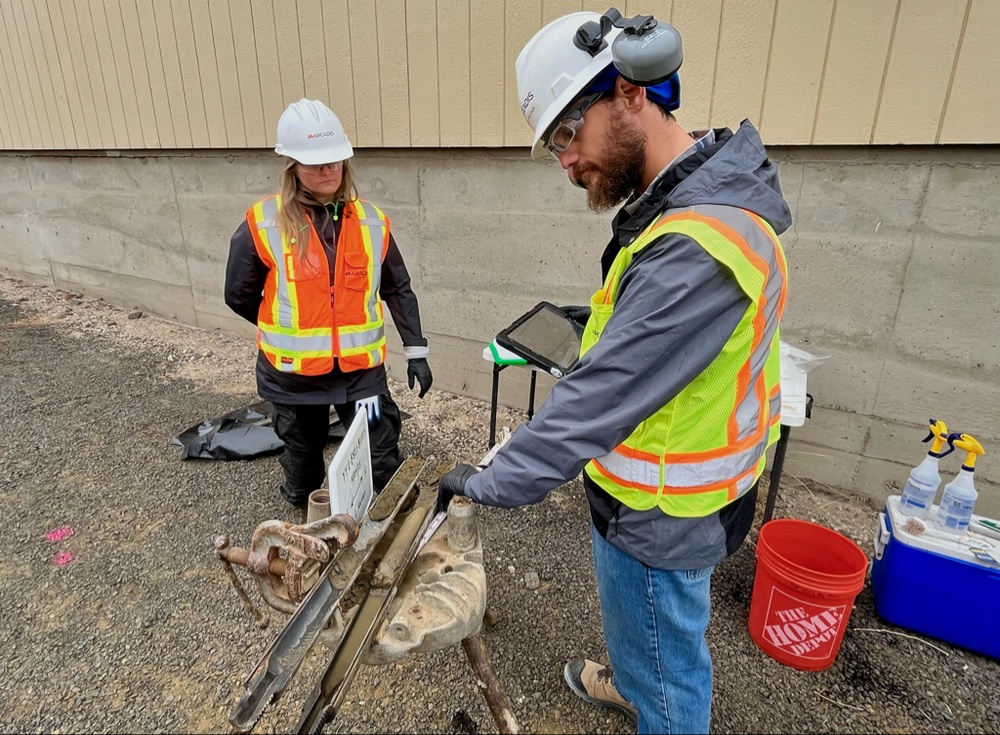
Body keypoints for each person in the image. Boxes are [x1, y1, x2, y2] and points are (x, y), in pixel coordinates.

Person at [438, 10, 789, 735]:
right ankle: (633, 678)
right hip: (650, 485)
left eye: (568, 131)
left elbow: (603, 394)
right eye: (553, 145)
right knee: (646, 636)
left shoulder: (700, 242)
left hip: (662, 512)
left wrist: (486, 481)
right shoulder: (686, 201)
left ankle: (653, 699)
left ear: (630, 92)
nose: (565, 160)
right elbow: (643, 333)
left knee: (669, 670)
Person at [225, 98, 433, 510]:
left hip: (361, 378)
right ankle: (309, 525)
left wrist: (417, 350)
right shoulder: (263, 223)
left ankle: (388, 521)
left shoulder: (372, 222)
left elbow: (398, 288)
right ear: (292, 166)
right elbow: (239, 295)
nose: (328, 170)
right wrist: (287, 328)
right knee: (304, 461)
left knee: (379, 450)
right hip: (292, 379)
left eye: (335, 160)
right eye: (316, 163)